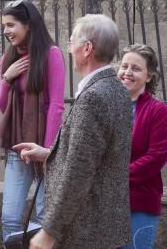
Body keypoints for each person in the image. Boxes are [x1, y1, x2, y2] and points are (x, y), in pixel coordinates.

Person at [13, 14, 132, 249]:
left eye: (71, 42)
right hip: (105, 228)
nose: (68, 49)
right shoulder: (116, 89)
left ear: (87, 48)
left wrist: (49, 231)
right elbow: (97, 155)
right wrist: (49, 153)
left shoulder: (94, 97)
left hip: (86, 231)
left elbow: (78, 172)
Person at [0, 0, 65, 242]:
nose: (6, 31)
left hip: (45, 147)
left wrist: (46, 152)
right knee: (10, 217)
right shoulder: (9, 57)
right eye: (4, 25)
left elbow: (56, 106)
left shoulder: (51, 54)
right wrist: (6, 77)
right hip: (18, 146)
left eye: (11, 25)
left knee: (46, 214)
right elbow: (3, 106)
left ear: (29, 25)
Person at [117, 44, 167, 249]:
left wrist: (114, 176)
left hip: (139, 203)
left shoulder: (158, 111)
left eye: (135, 68)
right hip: (104, 205)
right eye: (124, 66)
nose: (127, 72)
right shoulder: (105, 106)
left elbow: (156, 157)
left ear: (148, 76)